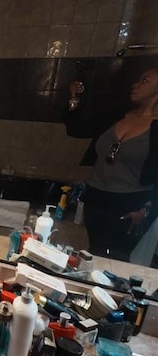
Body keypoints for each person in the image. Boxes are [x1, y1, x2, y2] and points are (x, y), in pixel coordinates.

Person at [64, 67, 158, 262]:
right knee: (94, 253)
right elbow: (77, 129)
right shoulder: (118, 114)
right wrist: (74, 99)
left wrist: (148, 210)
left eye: (144, 81)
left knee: (116, 259)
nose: (136, 84)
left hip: (130, 203)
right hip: (96, 196)